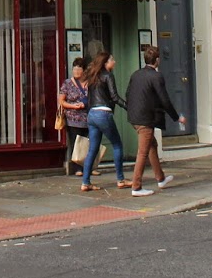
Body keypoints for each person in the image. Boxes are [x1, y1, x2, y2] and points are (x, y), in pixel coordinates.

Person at [124, 45, 181, 195]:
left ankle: (160, 178)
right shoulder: (156, 76)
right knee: (143, 152)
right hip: (145, 119)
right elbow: (164, 100)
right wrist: (177, 117)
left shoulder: (136, 74)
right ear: (157, 60)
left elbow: (127, 94)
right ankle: (136, 186)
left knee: (152, 146)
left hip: (134, 117)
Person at [80, 51, 127, 192]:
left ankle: (85, 182)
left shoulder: (93, 76)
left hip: (92, 114)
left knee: (92, 149)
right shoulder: (108, 75)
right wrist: (128, 106)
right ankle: (120, 179)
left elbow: (88, 97)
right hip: (103, 113)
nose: (115, 61)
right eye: (112, 59)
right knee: (117, 145)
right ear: (106, 62)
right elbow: (114, 97)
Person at [57, 59, 89, 176]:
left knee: (88, 143)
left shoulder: (90, 83)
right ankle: (77, 168)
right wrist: (73, 106)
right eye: (74, 68)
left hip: (89, 118)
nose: (76, 71)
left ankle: (89, 166)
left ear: (84, 70)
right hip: (73, 118)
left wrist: (85, 104)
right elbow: (61, 101)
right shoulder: (67, 83)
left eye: (79, 68)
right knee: (76, 142)